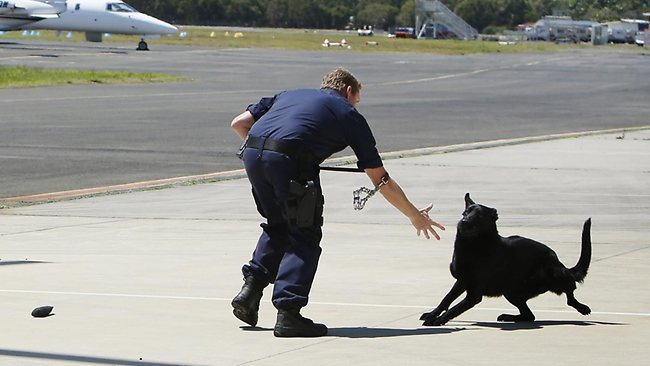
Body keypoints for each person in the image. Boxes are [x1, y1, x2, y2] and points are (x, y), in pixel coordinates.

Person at [230, 67, 444, 338]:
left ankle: (249, 292)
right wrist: (414, 215)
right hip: (289, 163)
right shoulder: (347, 114)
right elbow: (380, 178)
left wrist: (269, 157)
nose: (355, 105)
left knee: (278, 225)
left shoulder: (288, 95)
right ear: (348, 91)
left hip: (252, 155)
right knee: (303, 234)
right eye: (356, 99)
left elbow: (239, 124)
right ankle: (289, 314)